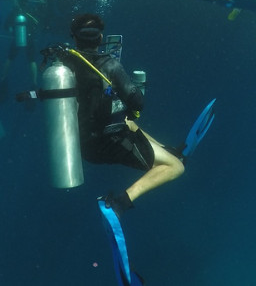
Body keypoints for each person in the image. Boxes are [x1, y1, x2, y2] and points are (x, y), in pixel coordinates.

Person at [63, 14, 185, 215]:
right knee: (177, 168)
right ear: (101, 38)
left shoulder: (66, 65)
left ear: (74, 39)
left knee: (127, 121)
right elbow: (138, 104)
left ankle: (165, 150)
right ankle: (120, 203)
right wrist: (133, 87)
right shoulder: (110, 65)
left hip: (81, 142)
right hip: (107, 143)